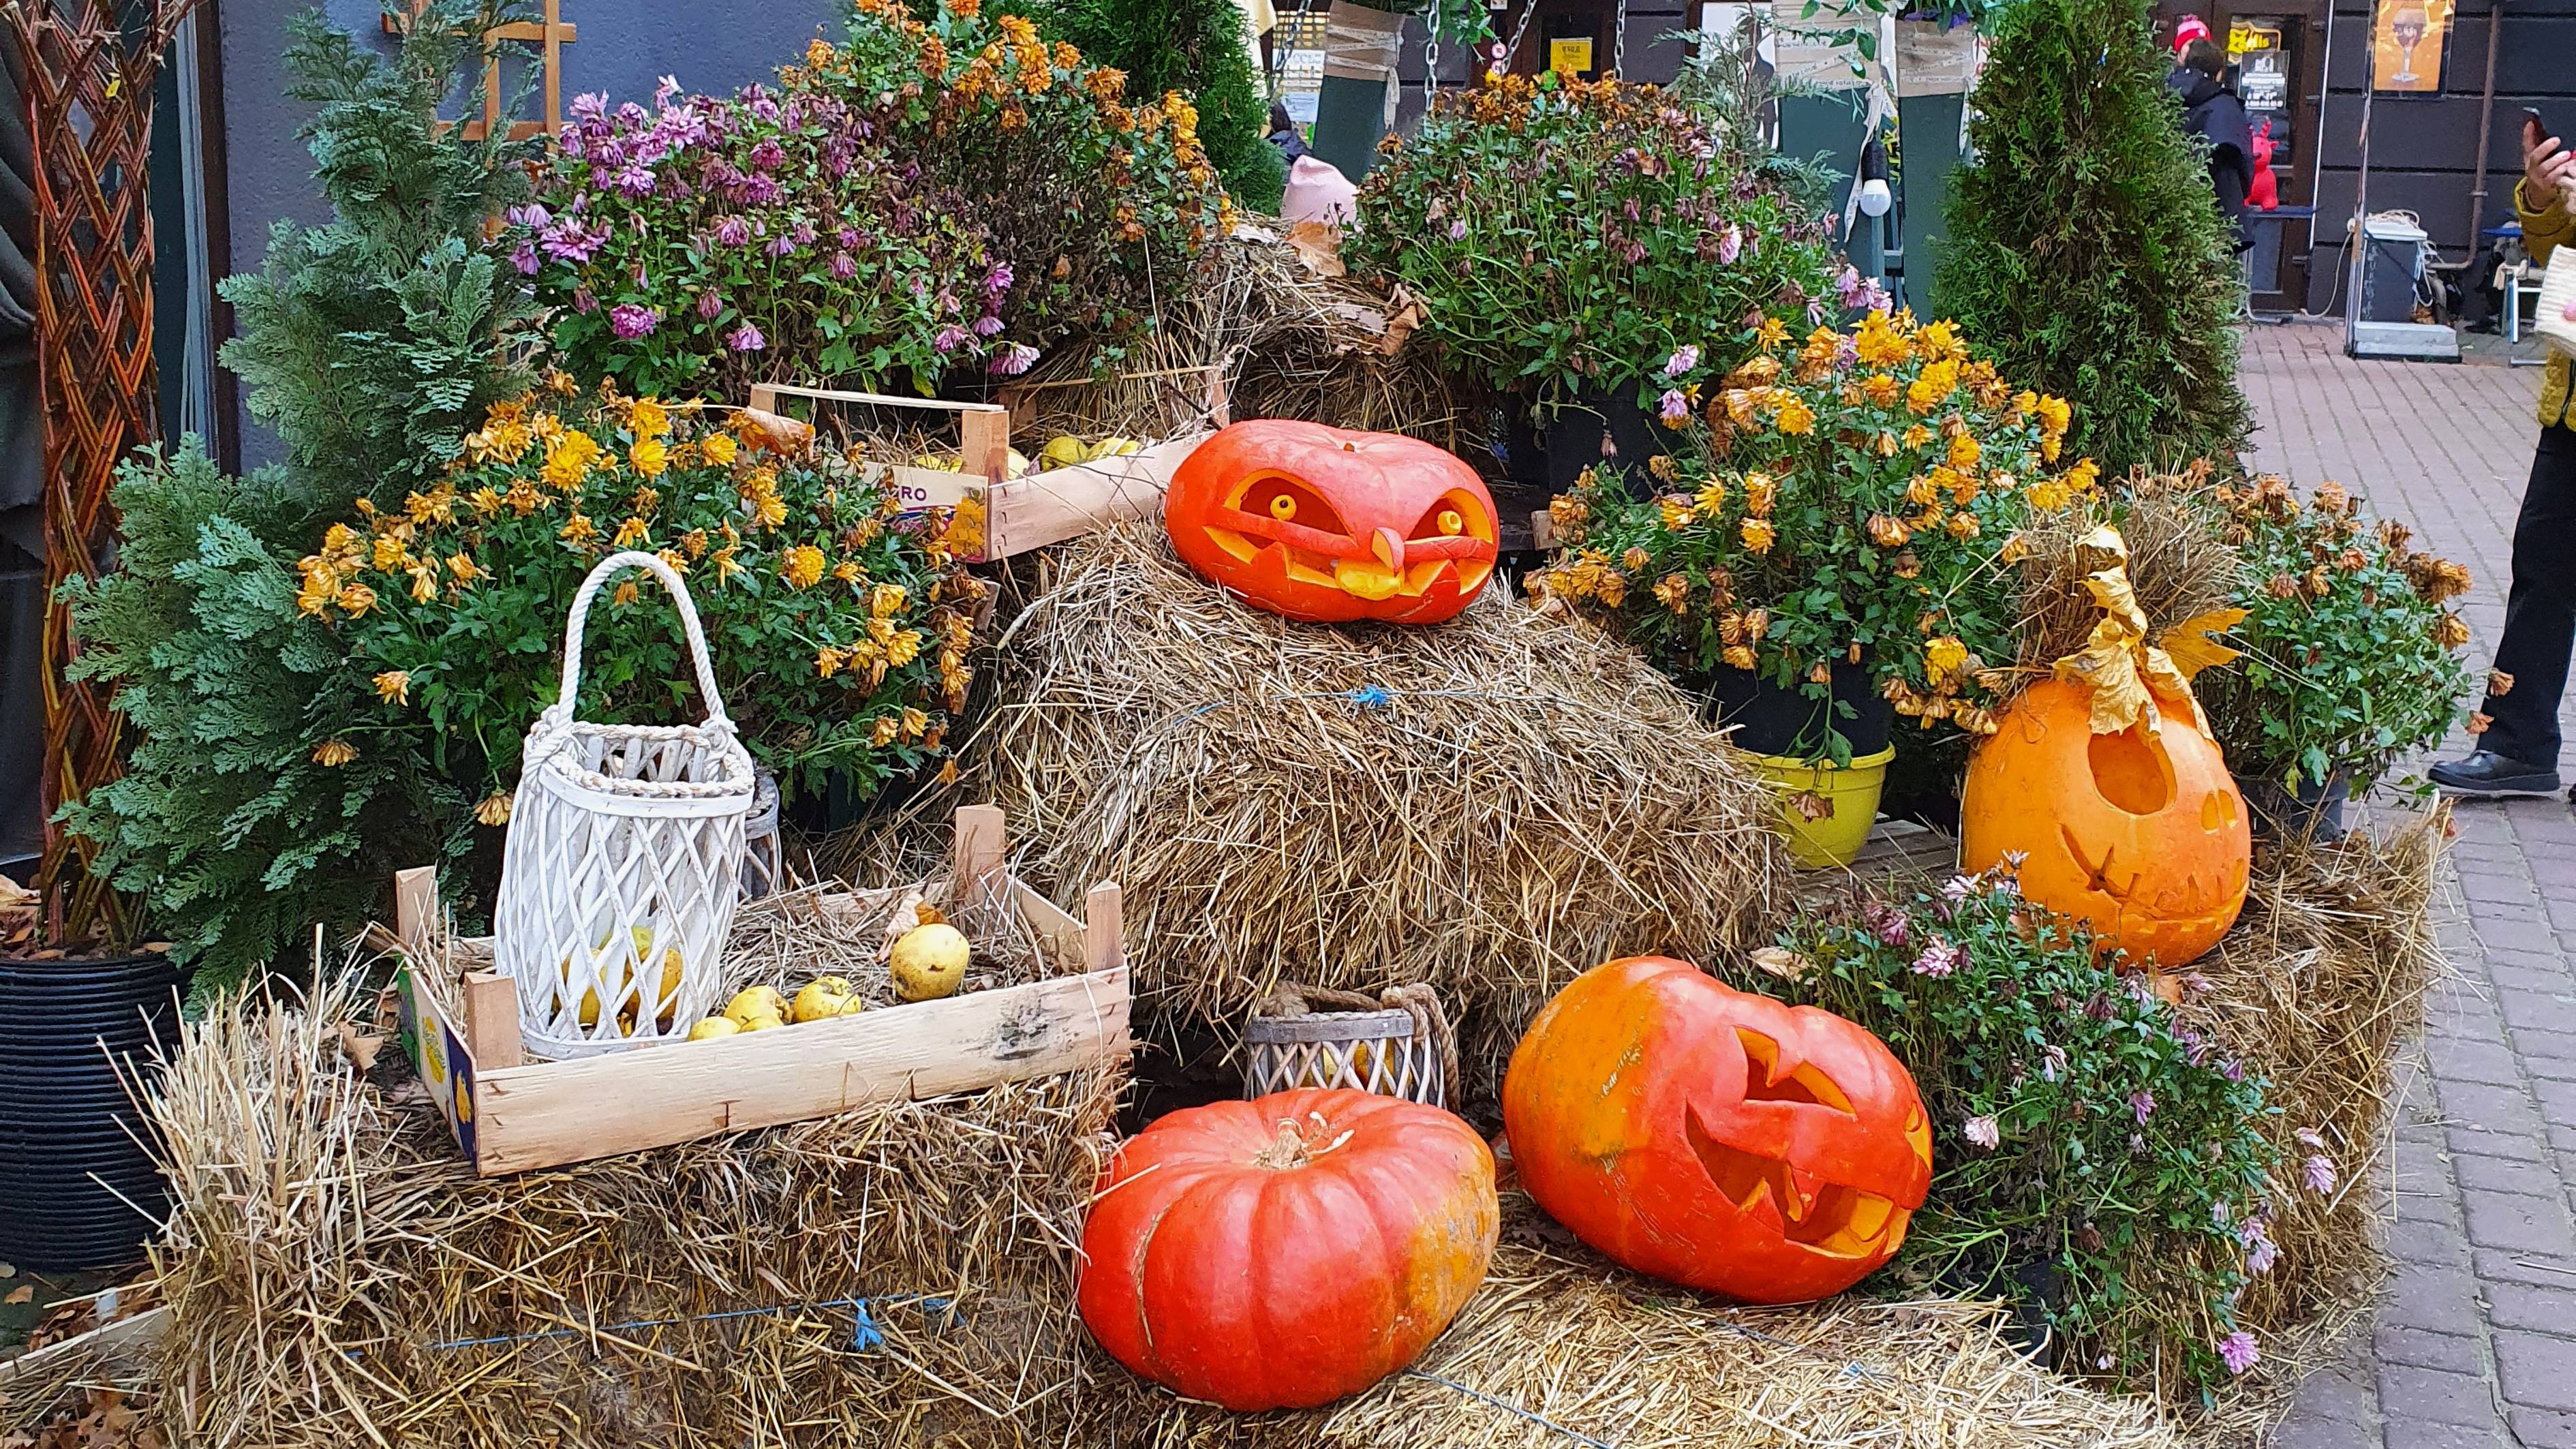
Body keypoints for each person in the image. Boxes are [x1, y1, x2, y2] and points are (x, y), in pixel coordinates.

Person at [2429, 115, 2576, 796]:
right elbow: (2557, 253)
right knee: (2542, 570)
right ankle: (2518, 741)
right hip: (2572, 404)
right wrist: (2544, 199)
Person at [2168, 38, 2256, 252]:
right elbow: (2233, 174)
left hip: (2163, 221)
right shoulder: (2226, 110)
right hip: (2212, 223)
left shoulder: (2161, 98)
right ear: (2219, 74)